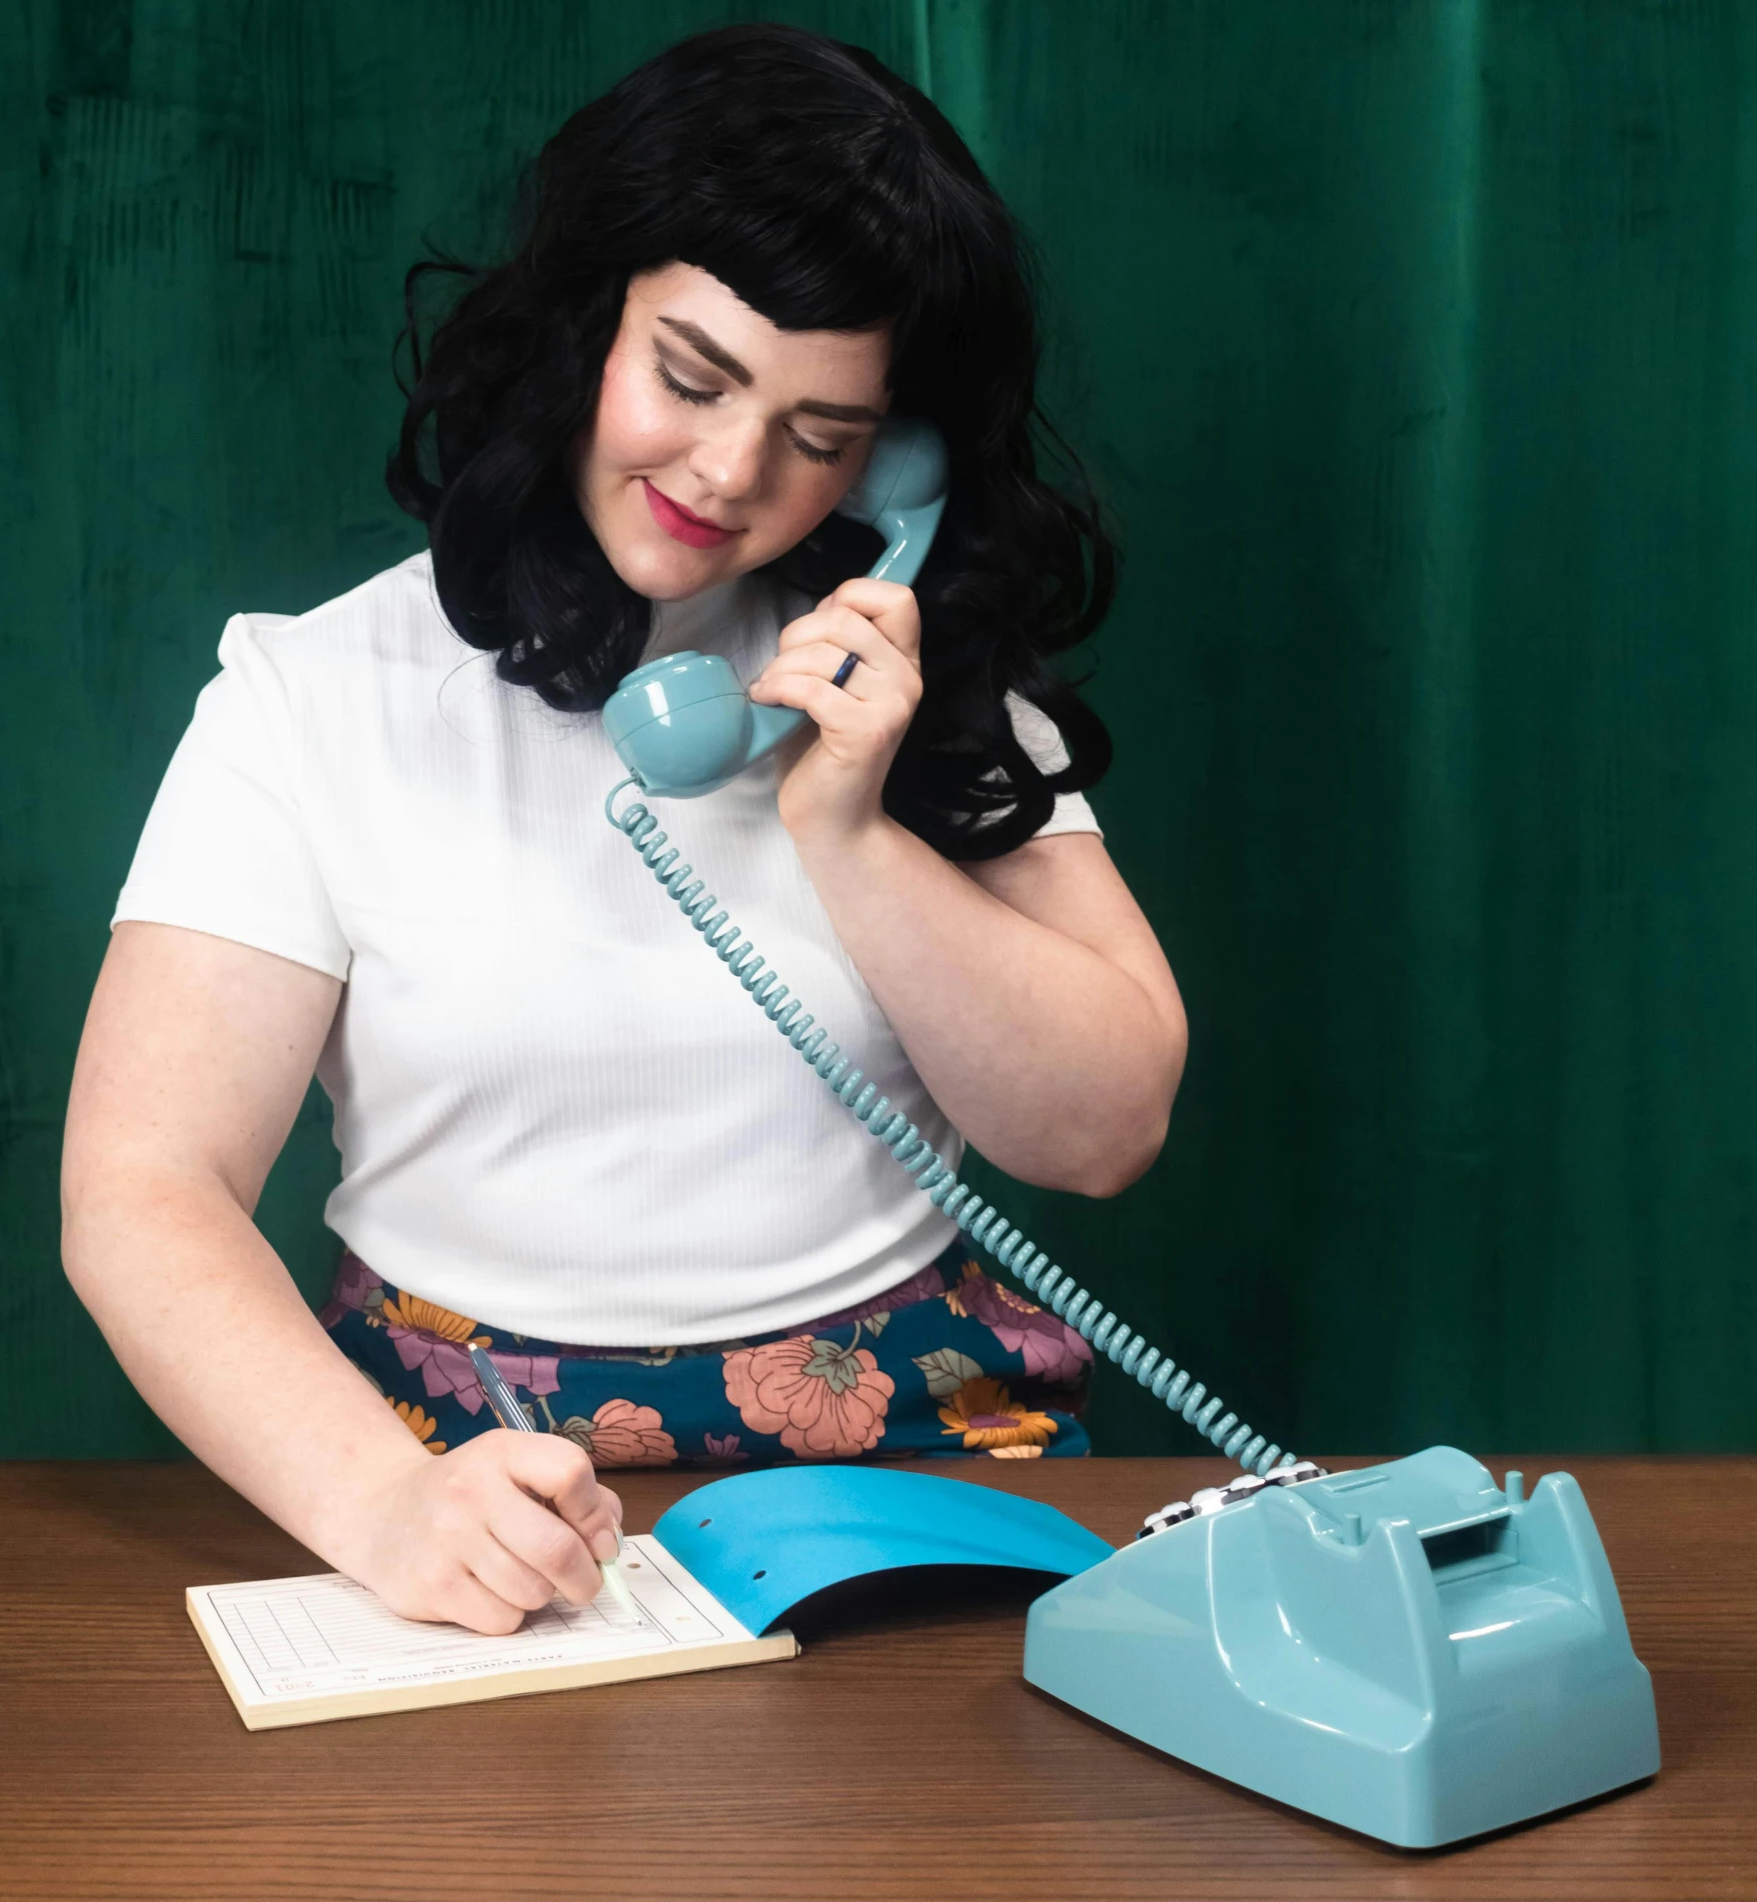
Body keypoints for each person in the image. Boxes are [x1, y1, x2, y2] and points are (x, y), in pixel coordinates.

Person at [60, 24, 1186, 1637]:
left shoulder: (905, 682)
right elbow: (141, 1184)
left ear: (897, 462)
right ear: (583, 323)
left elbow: (1104, 1132)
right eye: (692, 376)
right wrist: (378, 1502)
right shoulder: (308, 696)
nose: (730, 474)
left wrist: (852, 830)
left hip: (912, 1473)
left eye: (819, 436)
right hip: (459, 1487)